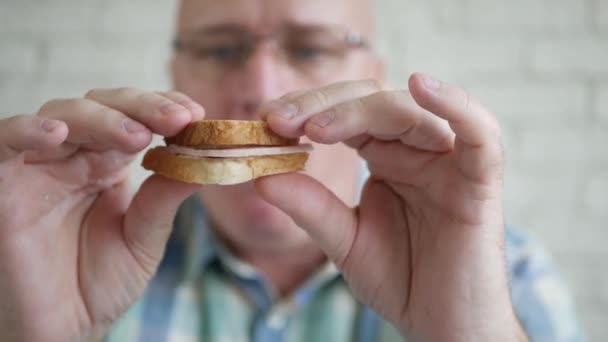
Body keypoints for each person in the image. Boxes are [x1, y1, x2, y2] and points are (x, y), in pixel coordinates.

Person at [0, 0, 584, 341]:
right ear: (175, 70)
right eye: (220, 48)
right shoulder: (61, 264)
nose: (260, 89)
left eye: (310, 48)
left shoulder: (508, 274)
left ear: (374, 74)